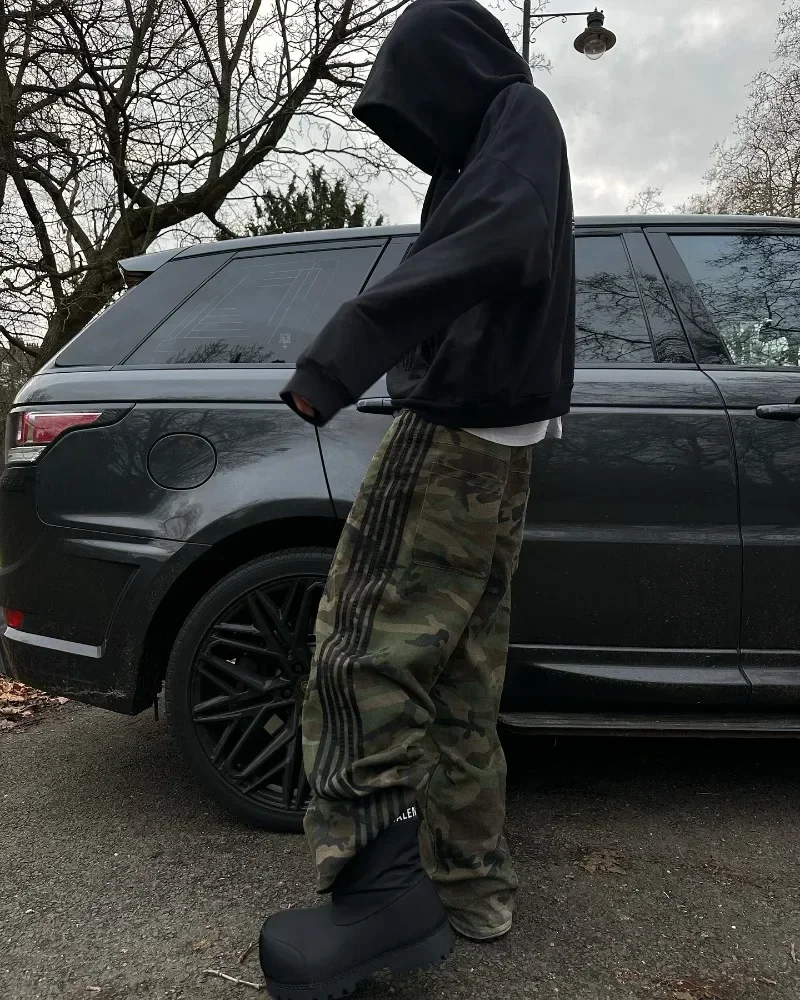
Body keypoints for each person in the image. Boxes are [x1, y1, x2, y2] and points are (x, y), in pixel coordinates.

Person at [259, 0, 575, 996]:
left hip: (452, 434)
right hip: (504, 439)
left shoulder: (516, 118)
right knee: (460, 676)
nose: (414, 128)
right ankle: (470, 887)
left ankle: (379, 900)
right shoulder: (502, 140)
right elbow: (493, 243)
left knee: (360, 652)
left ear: (446, 71)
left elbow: (502, 235)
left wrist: (345, 350)